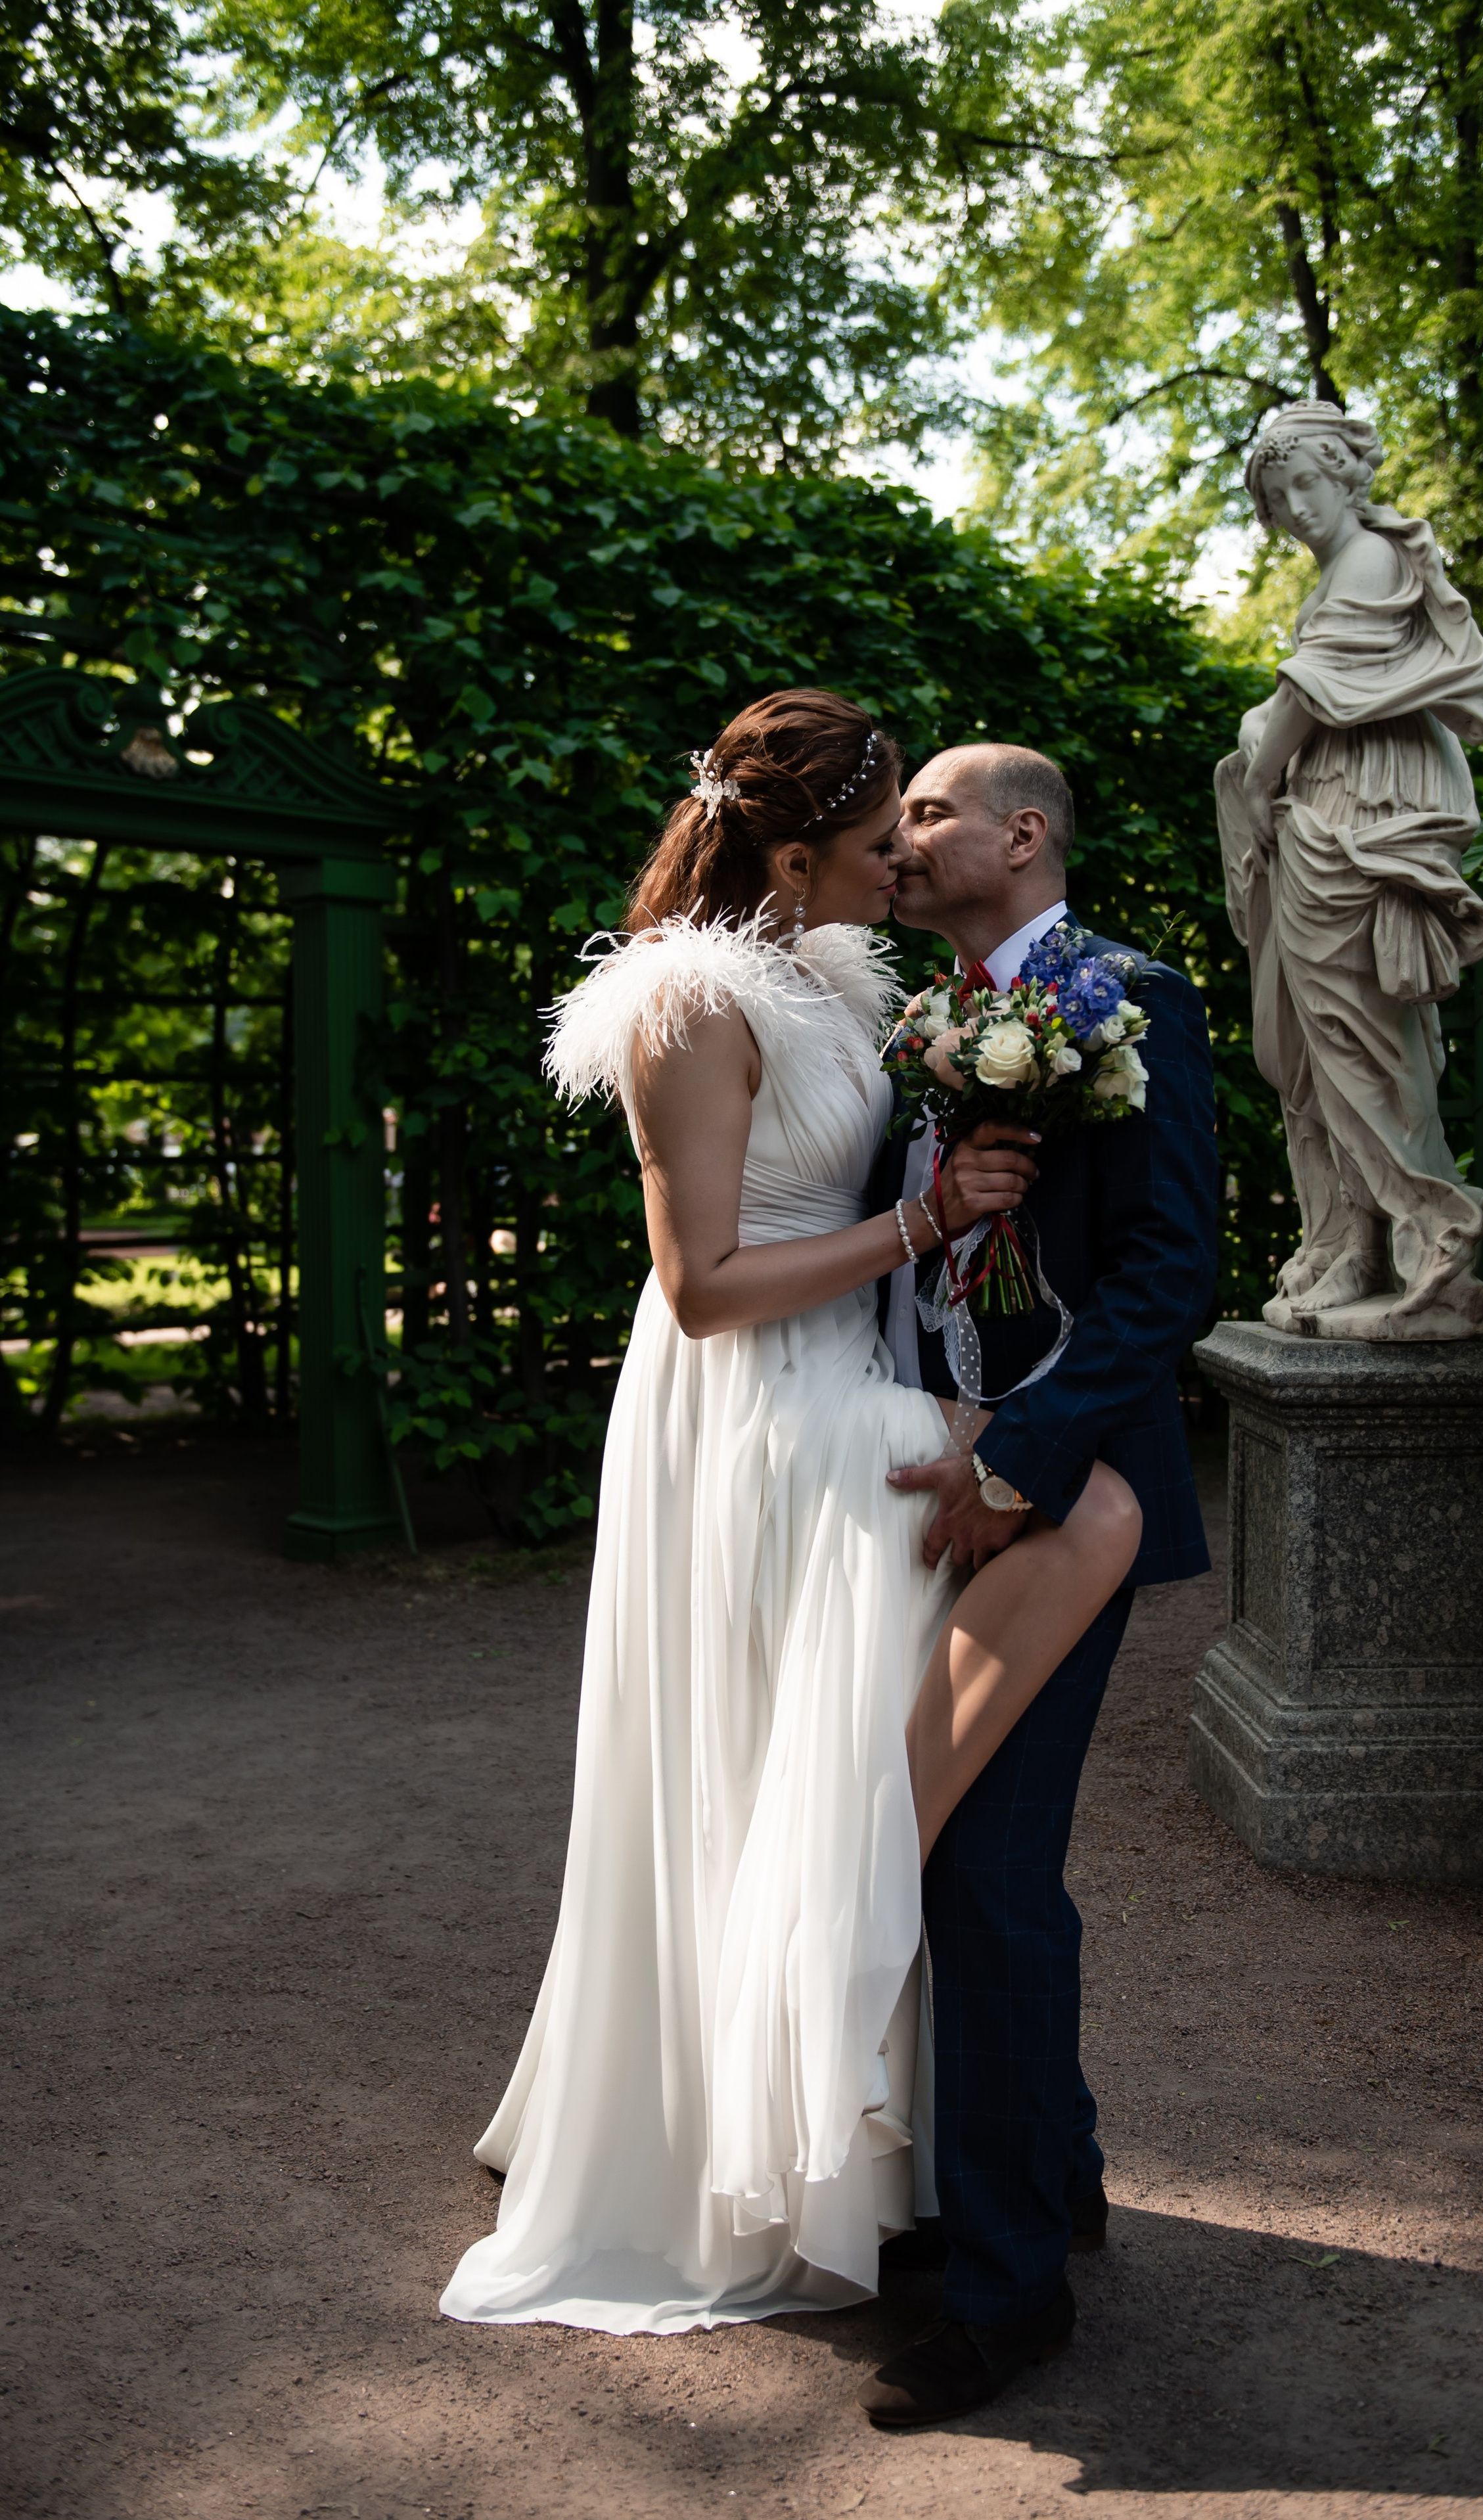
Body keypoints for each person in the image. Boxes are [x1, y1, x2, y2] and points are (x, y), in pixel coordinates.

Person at [439, 690, 1141, 2338]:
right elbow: (699, 1288)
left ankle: (877, 2120)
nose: (902, 851)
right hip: (751, 1407)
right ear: (796, 837)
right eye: (884, 821)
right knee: (1079, 1504)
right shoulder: (683, 997)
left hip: (836, 1367)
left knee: (819, 1741)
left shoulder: (836, 982)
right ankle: (792, 2050)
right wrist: (917, 1223)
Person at [856, 741, 1219, 2429]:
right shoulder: (927, 1011)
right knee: (984, 1864)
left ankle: (1007, 2297)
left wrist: (1024, 1461)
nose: (899, 839)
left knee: (984, 1875)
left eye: (924, 812)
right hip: (919, 1471)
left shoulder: (1127, 993)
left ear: (1022, 832)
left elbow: (1171, 1266)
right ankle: (1050, 2175)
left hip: (1072, 1500)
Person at [1214, 400, 1483, 1333]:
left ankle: (1437, 1255)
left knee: (1362, 1045)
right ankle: (1350, 1246)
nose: (1296, 506)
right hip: (1323, 814)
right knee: (1308, 1052)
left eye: (1309, 482)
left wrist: (1259, 771)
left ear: (1347, 474)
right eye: (1277, 493)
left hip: (1353, 821)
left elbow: (1314, 688)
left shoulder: (1374, 557)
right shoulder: (1340, 569)